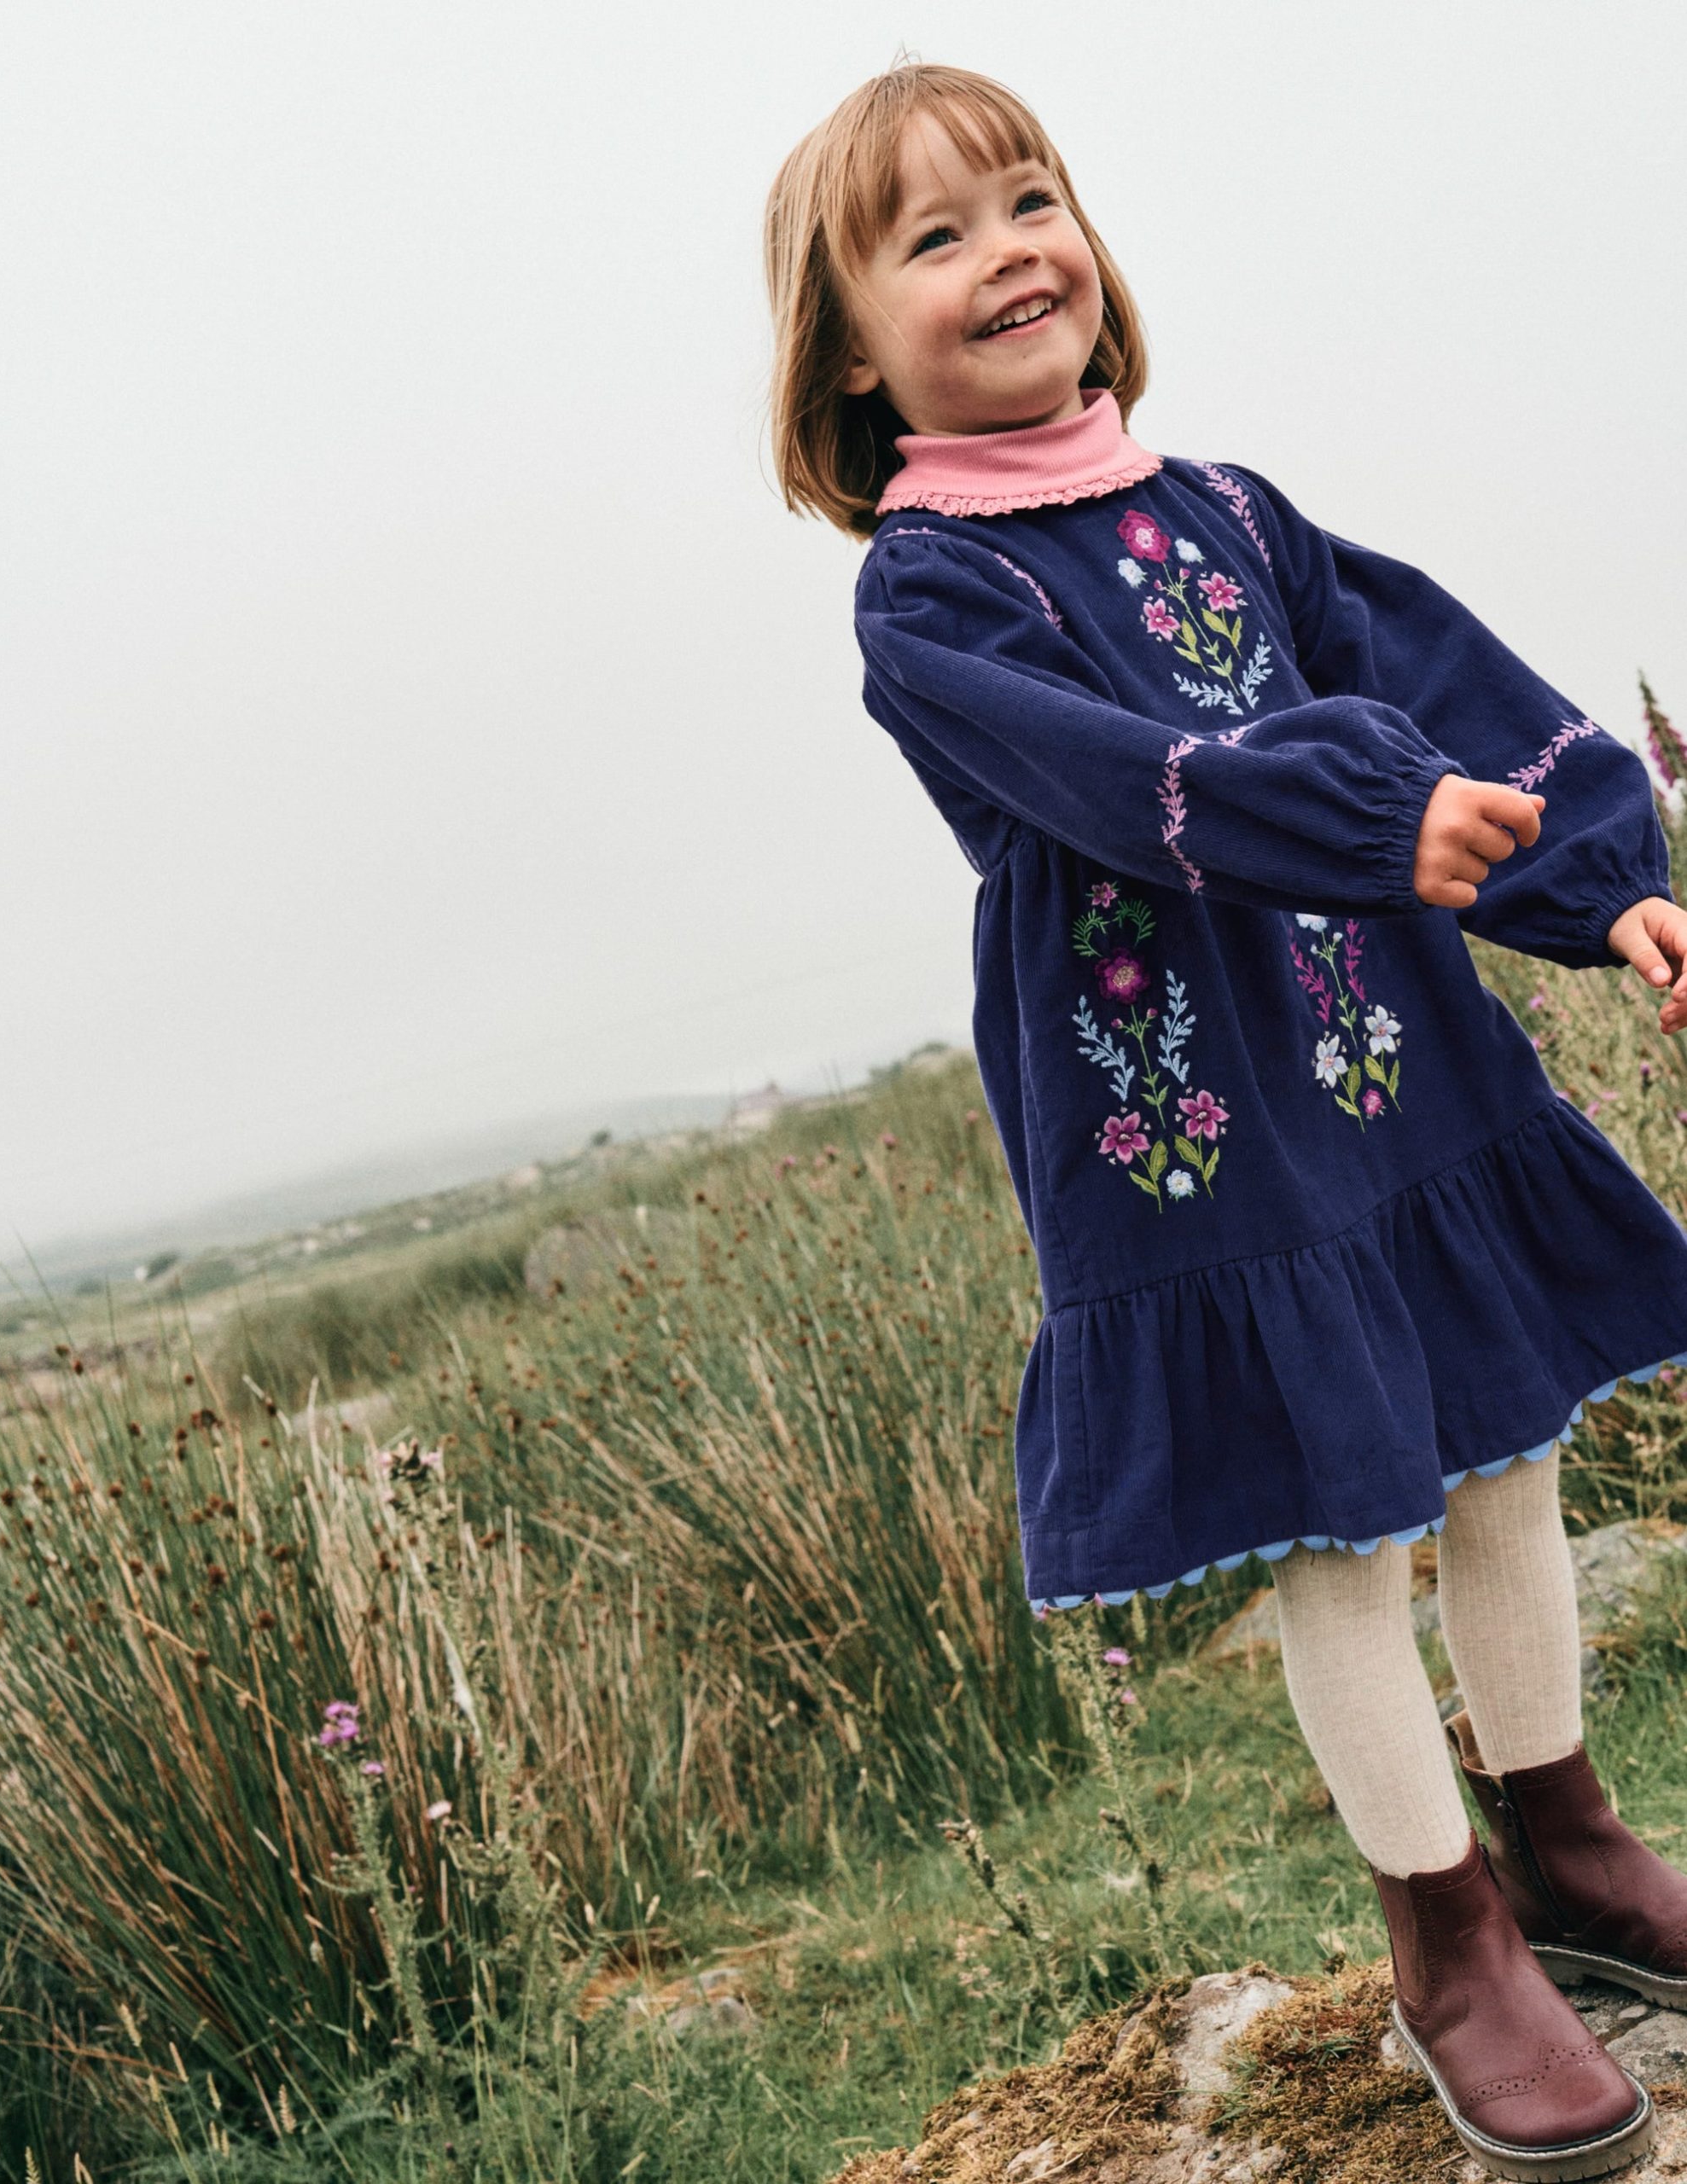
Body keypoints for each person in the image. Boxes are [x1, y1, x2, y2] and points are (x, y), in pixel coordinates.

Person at [762, 58, 1687, 2184]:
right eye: (932, 236)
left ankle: (1566, 1835)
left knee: (1506, 1440)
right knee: (1341, 1512)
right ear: (850, 351)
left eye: (1031, 199)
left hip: (1382, 1046)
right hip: (1180, 1104)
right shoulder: (926, 594)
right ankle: (1447, 1936)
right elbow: (1115, 778)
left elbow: (1439, 684)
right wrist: (1365, 815)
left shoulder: (1233, 511)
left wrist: (1600, 878)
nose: (1010, 252)